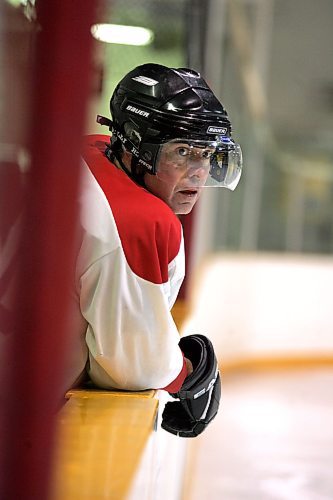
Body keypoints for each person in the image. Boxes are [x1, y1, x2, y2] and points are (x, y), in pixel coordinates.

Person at [69, 63, 242, 437]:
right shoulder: (138, 219)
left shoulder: (87, 151)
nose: (199, 171)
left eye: (207, 152)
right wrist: (186, 376)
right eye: (182, 151)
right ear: (134, 145)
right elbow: (132, 367)